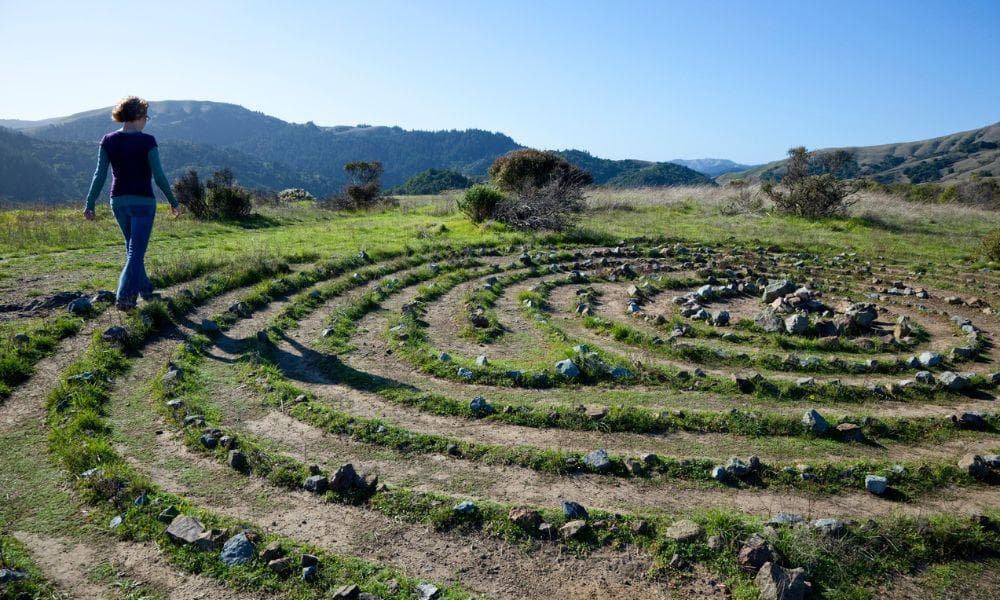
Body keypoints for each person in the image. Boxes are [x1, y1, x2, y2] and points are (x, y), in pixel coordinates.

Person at [83, 96, 181, 311]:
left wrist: (90, 203)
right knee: (135, 252)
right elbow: (159, 176)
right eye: (146, 116)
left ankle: (147, 292)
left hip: (117, 202)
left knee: (132, 249)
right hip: (143, 202)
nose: (146, 120)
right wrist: (173, 201)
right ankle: (125, 297)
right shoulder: (147, 141)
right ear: (137, 116)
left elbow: (99, 175)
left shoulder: (108, 140)